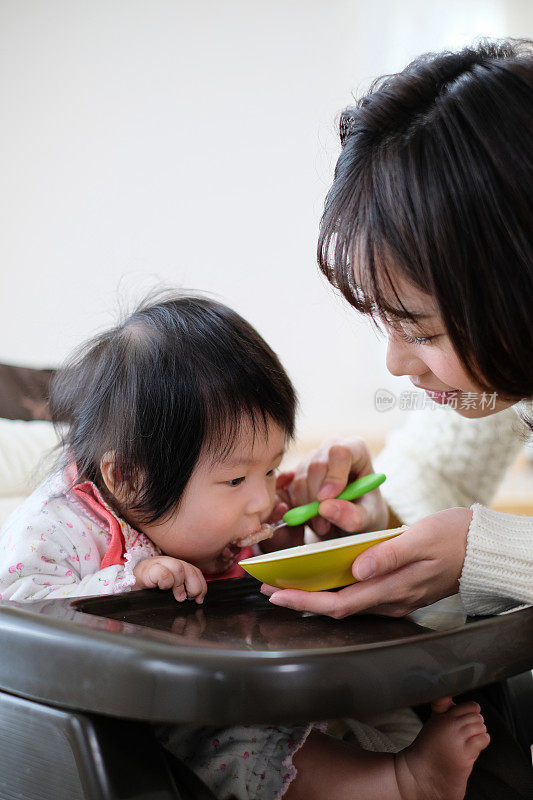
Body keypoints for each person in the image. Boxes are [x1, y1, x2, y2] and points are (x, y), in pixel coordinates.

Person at [0, 293, 489, 800]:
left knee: (321, 714)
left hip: (233, 686)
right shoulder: (58, 526)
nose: (262, 499)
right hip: (140, 725)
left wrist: (289, 549)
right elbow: (17, 618)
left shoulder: (212, 517)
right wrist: (129, 582)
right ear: (127, 477)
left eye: (272, 468)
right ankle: (402, 782)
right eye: (236, 480)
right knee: (245, 743)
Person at [262, 38, 533, 623]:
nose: (396, 364)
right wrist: (377, 519)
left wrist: (482, 551)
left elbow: (471, 544)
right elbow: (436, 470)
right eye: (387, 323)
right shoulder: (502, 383)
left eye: (424, 333)